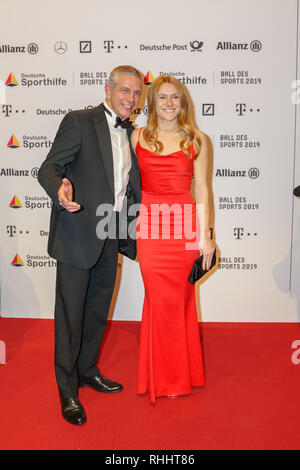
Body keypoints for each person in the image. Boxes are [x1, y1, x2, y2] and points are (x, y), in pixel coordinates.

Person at [38, 65, 143, 425]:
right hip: (77, 234)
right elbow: (48, 168)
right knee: (69, 316)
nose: (131, 98)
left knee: (97, 310)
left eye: (137, 93)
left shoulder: (132, 133)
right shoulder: (80, 121)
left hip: (111, 232)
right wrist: (60, 189)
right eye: (125, 91)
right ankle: (67, 390)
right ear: (108, 89)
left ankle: (87, 370)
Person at [131, 75, 215, 403]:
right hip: (150, 226)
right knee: (158, 299)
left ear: (183, 102)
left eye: (174, 98)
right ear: (152, 103)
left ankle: (180, 375)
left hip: (183, 226)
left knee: (180, 301)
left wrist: (206, 236)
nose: (168, 103)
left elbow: (203, 189)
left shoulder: (197, 139)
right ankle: (165, 375)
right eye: (162, 98)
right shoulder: (138, 136)